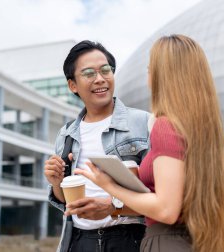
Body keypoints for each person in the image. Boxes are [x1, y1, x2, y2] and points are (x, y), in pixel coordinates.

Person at [73, 35, 224, 252]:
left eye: (150, 69)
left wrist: (109, 185)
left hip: (166, 241)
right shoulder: (205, 129)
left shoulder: (166, 126)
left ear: (163, 75)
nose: (148, 76)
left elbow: (166, 210)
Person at [44, 40, 150, 252]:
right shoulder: (65, 134)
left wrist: (113, 207)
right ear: (72, 85)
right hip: (78, 241)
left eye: (105, 70)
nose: (100, 79)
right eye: (89, 73)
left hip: (130, 240)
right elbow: (65, 201)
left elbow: (161, 196)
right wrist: (56, 183)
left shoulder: (144, 122)